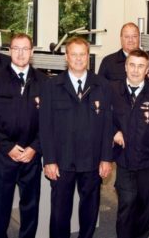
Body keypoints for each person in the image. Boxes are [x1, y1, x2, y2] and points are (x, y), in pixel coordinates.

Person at [40, 37, 114, 238]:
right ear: (66, 57)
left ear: (88, 57)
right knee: (59, 211)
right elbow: (45, 126)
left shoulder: (102, 85)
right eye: (74, 54)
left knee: (90, 209)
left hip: (92, 160)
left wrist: (107, 158)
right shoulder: (52, 86)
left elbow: (109, 125)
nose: (79, 59)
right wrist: (49, 160)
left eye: (83, 54)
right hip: (62, 160)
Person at [0, 33, 47, 238]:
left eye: (25, 49)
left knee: (30, 206)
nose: (21, 53)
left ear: (32, 52)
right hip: (4, 156)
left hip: (31, 155)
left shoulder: (44, 82)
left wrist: (35, 148)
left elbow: (49, 121)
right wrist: (6, 147)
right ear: (9, 50)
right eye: (16, 48)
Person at [111, 49, 149, 238]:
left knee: (147, 205)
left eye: (140, 66)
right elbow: (102, 119)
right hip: (124, 159)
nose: (135, 70)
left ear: (147, 70)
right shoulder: (112, 91)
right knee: (127, 202)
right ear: (125, 66)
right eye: (132, 65)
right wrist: (113, 132)